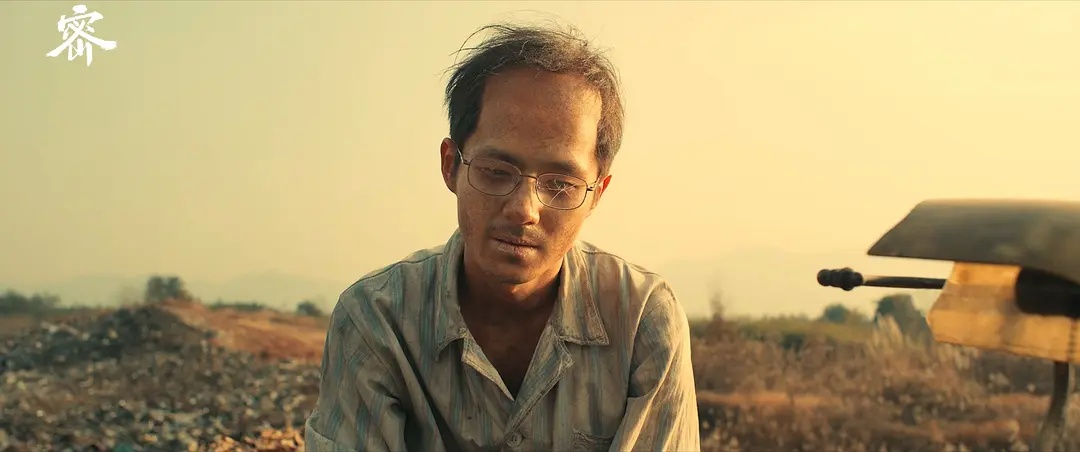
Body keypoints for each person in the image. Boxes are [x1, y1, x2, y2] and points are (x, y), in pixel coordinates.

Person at [304, 21, 700, 452]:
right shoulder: (376, 321)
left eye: (560, 184)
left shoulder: (642, 321)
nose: (524, 210)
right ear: (451, 165)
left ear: (596, 194)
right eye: (496, 172)